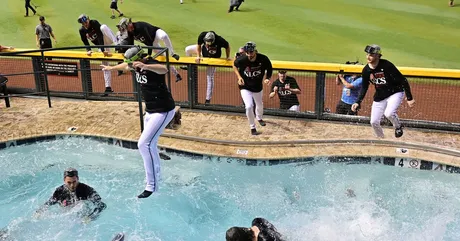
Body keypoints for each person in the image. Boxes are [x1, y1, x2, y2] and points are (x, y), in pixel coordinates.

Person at [101, 46, 176, 198]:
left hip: (163, 111)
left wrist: (146, 66)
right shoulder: (134, 65)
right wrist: (111, 67)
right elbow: (126, 65)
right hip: (150, 111)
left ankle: (151, 186)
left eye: (133, 62)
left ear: (139, 59)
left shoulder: (150, 63)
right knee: (151, 145)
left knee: (143, 144)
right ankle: (157, 177)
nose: (131, 65)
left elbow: (164, 70)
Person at [351, 44, 415, 138]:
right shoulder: (366, 70)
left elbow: (403, 80)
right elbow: (364, 87)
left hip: (395, 92)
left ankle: (398, 127)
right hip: (380, 95)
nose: (368, 57)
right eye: (367, 54)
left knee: (389, 113)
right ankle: (381, 138)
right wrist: (357, 101)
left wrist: (409, 98)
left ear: (378, 55)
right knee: (373, 122)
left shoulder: (386, 65)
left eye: (371, 55)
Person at [117, 18, 182, 82]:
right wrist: (123, 49)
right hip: (152, 44)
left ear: (129, 24)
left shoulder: (140, 27)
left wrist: (149, 55)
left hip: (155, 33)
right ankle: (177, 74)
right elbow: (131, 44)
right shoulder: (130, 32)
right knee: (164, 58)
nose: (127, 29)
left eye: (126, 27)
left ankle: (172, 53)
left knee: (164, 36)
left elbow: (149, 41)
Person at [35, 168, 107, 222]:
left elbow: (102, 205)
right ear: (64, 181)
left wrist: (90, 217)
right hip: (67, 214)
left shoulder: (86, 190)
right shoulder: (59, 191)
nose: (72, 185)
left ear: (78, 179)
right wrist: (39, 211)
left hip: (83, 215)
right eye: (69, 182)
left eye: (74, 182)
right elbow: (50, 202)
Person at [233, 41, 272, 135]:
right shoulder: (242, 60)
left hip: (257, 87)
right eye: (247, 53)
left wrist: (267, 78)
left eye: (251, 52)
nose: (249, 55)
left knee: (259, 104)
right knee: (249, 106)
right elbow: (234, 65)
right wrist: (239, 77)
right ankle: (252, 127)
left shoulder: (263, 59)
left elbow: (269, 68)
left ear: (255, 51)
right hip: (245, 87)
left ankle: (259, 117)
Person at [185, 31, 231, 105]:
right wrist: (198, 56)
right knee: (187, 49)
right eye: (207, 42)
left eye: (209, 42)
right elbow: (198, 45)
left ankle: (207, 100)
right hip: (203, 53)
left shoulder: (219, 40)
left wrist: (228, 57)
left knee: (210, 78)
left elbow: (227, 46)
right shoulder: (202, 35)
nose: (208, 43)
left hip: (213, 60)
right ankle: (191, 67)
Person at [78, 14, 117, 96]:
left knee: (103, 27)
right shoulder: (82, 30)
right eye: (84, 22)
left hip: (106, 39)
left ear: (88, 19)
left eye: (86, 21)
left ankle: (117, 45)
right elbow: (85, 42)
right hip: (101, 46)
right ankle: (108, 88)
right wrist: (89, 50)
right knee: (105, 66)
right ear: (82, 23)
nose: (86, 23)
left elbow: (100, 35)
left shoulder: (94, 23)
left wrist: (102, 50)